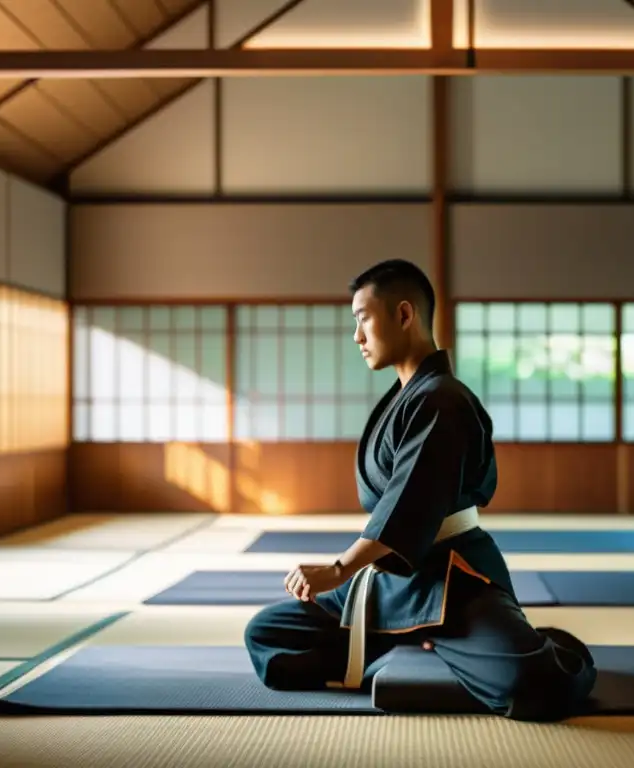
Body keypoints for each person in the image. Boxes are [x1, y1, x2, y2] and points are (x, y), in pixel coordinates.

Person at [243, 258, 597, 721]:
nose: (357, 337)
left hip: (452, 578)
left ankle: (507, 640)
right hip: (391, 580)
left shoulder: (442, 400)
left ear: (404, 315)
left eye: (363, 319)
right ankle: (415, 642)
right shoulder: (405, 397)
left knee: (533, 688)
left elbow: (410, 506)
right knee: (268, 635)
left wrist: (337, 569)